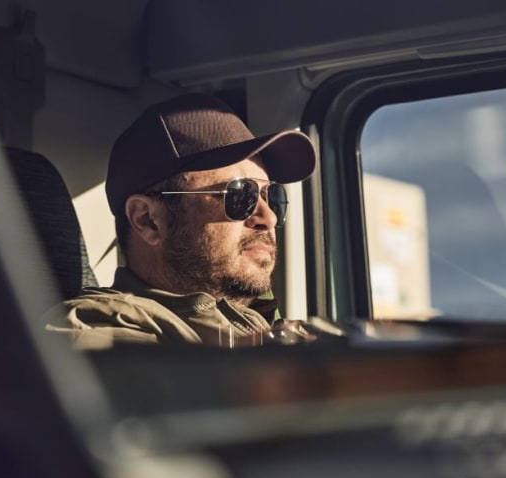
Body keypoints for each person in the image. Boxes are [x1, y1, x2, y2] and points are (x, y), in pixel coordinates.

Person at [43, 93, 317, 347]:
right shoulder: (94, 325)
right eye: (239, 194)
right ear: (148, 220)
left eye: (272, 196)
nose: (267, 217)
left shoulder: (248, 324)